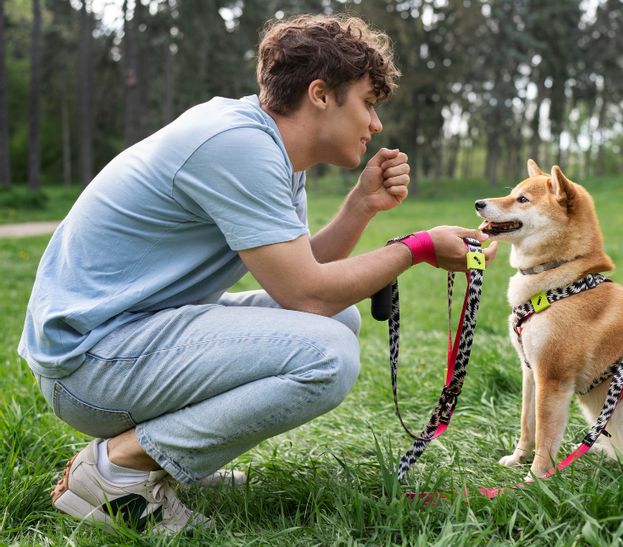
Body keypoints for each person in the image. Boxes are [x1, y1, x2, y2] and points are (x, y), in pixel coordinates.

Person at [19, 14, 497, 533]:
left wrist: (361, 206)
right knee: (325, 354)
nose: (375, 124)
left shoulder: (272, 151)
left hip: (121, 343)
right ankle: (118, 470)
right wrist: (418, 247)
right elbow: (306, 294)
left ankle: (168, 466)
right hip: (87, 363)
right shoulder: (237, 145)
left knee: (339, 324)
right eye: (367, 102)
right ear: (320, 94)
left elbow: (304, 277)